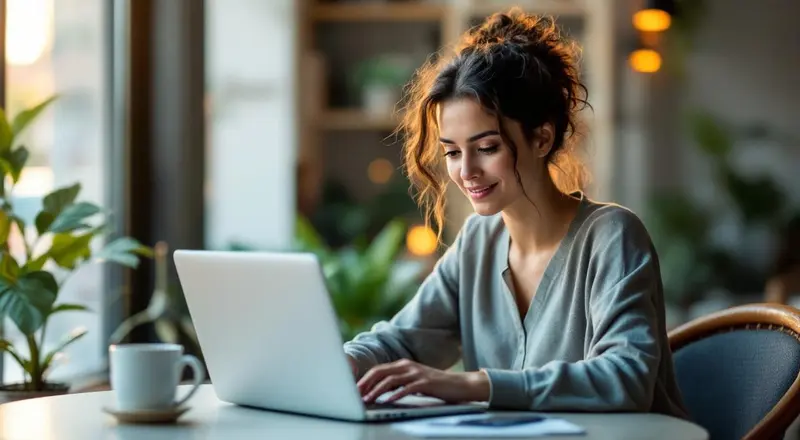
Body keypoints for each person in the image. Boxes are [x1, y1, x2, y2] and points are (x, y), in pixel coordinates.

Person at [343, 8, 689, 419]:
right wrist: (341, 363)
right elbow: (401, 342)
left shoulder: (612, 236)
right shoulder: (477, 241)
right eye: (452, 152)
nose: (466, 171)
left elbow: (625, 378)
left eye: (487, 147)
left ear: (541, 138)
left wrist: (474, 385)